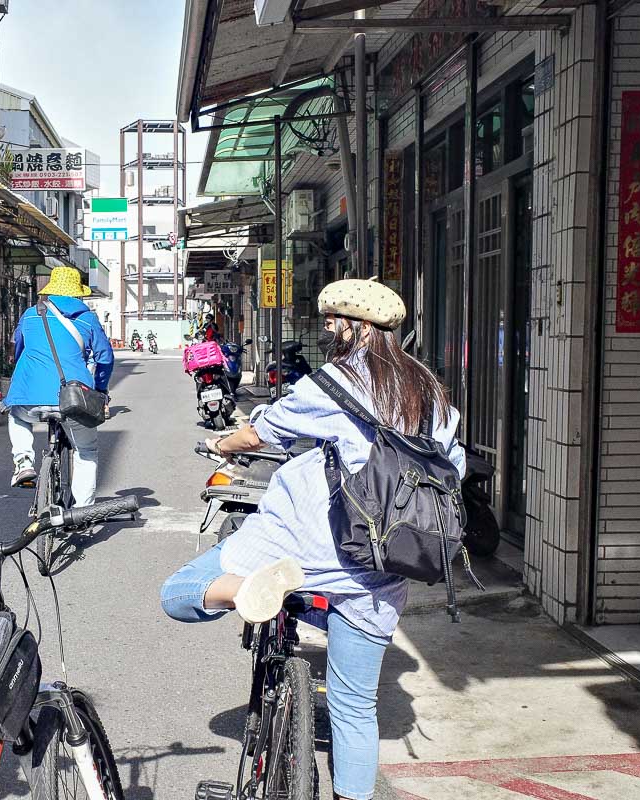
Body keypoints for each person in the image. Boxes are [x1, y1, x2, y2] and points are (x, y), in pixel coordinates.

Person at [160, 279, 465, 800]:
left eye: (332, 320)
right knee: (354, 706)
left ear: (356, 326)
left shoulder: (337, 382)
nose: (327, 328)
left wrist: (222, 444)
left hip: (302, 546)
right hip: (381, 564)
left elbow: (260, 433)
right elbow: (451, 465)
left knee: (178, 592)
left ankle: (248, 589)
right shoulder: (430, 392)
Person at [4, 266, 114, 501]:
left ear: (51, 290)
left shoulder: (30, 314)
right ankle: (82, 510)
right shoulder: (88, 318)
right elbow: (105, 358)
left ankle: (24, 462)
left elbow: (19, 348)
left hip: (29, 396)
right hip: (74, 397)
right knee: (86, 451)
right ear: (77, 294)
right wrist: (101, 389)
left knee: (17, 416)